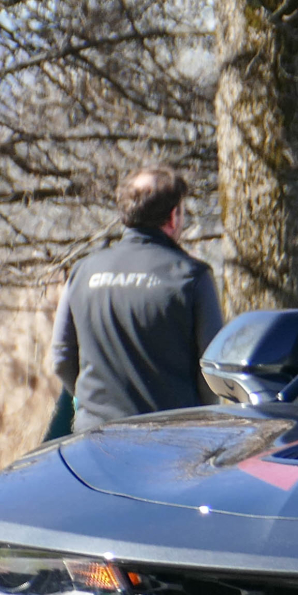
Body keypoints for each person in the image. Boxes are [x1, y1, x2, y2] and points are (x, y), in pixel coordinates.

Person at [50, 167, 225, 431]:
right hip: (172, 440)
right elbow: (212, 370)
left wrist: (93, 402)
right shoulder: (191, 277)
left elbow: (61, 357)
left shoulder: (83, 271)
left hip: (94, 439)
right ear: (174, 216)